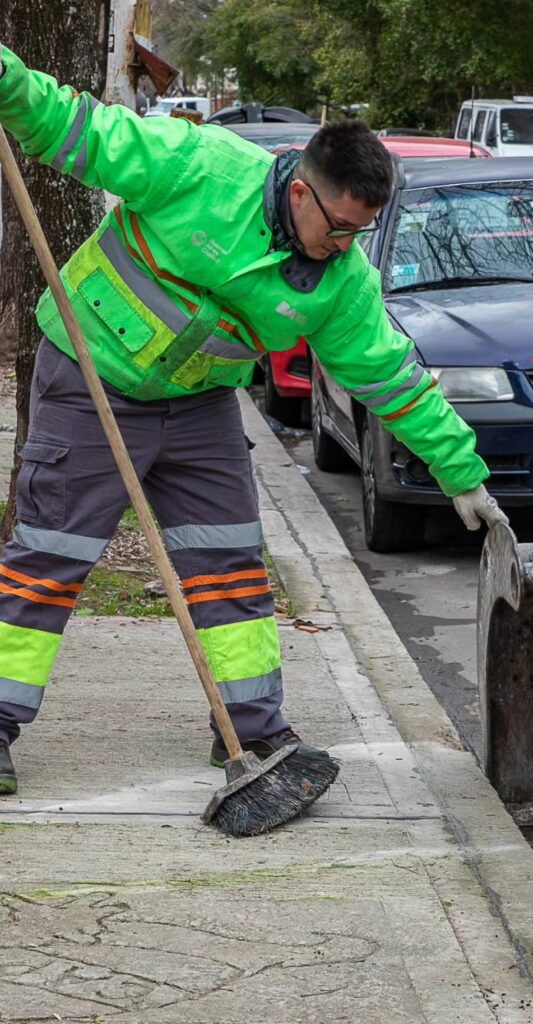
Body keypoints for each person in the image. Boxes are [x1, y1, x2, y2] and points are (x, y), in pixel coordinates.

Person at [0, 44, 507, 797]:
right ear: (301, 191)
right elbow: (78, 128)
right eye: (337, 227)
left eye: (357, 235)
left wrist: (461, 474)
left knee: (229, 563)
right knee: (50, 555)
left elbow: (389, 377)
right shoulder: (198, 165)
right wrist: (7, 80)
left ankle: (251, 730)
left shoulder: (341, 283)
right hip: (91, 376)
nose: (343, 248)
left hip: (202, 403)